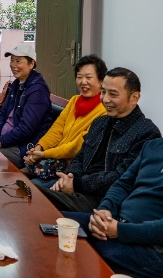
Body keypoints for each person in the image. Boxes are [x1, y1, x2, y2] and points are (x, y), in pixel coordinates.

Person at [38, 67, 160, 213]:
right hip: (77, 187)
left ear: (134, 97)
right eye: (103, 92)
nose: (105, 99)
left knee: (39, 202)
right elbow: (80, 156)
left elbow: (121, 178)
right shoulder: (99, 122)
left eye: (113, 94)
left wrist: (77, 184)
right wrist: (70, 177)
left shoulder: (146, 133)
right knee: (29, 192)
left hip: (104, 201)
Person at [62, 138, 163, 278]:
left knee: (88, 257)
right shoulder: (153, 146)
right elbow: (123, 184)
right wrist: (104, 211)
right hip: (115, 222)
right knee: (57, 221)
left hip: (151, 246)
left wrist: (119, 230)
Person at [24, 55, 108, 186]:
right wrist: (39, 147)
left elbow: (76, 147)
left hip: (70, 169)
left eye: (88, 77)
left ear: (101, 80)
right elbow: (57, 129)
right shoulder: (74, 100)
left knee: (30, 188)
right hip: (53, 161)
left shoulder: (104, 111)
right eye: (79, 77)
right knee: (16, 178)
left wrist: (44, 154)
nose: (83, 82)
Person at [0, 43, 53, 168]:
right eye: (12, 60)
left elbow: (26, 130)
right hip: (4, 142)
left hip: (22, 147)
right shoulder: (16, 85)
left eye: (18, 61)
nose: (13, 65)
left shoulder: (38, 91)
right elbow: (2, 115)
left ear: (31, 64)